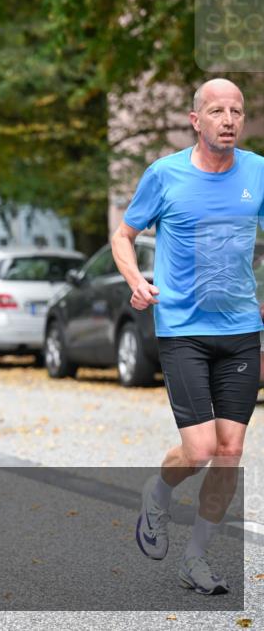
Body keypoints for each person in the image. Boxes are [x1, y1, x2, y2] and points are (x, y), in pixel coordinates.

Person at [111, 78, 263, 595]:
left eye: (236, 111)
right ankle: (156, 494)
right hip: (183, 329)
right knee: (198, 450)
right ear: (196, 120)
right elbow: (123, 234)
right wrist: (137, 280)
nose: (228, 119)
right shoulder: (165, 175)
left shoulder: (259, 173)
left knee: (230, 450)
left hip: (242, 329)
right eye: (217, 110)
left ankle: (195, 558)